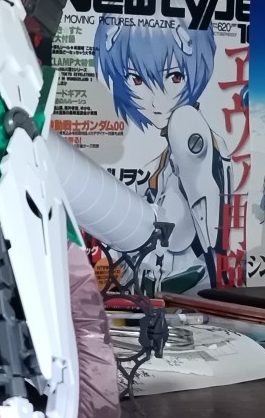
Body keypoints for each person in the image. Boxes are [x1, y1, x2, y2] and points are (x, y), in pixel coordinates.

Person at [94, 15, 229, 292]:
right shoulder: (164, 160)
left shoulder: (192, 135)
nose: (157, 100)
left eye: (175, 77)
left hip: (189, 278)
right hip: (162, 282)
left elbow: (204, 218)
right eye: (137, 79)